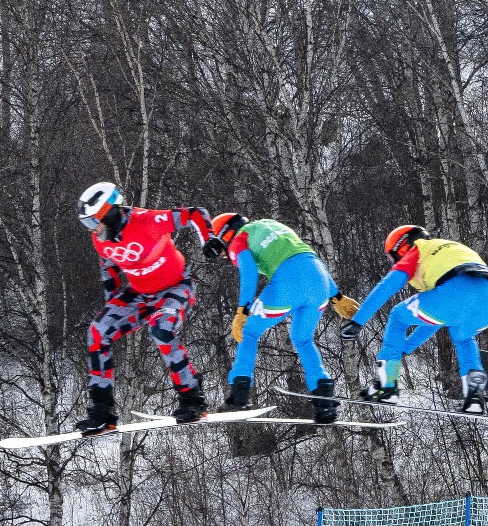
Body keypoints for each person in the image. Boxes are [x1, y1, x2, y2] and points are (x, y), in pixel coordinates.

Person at [75, 181, 216, 435]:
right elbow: (109, 269)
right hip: (140, 294)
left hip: (175, 286)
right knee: (98, 331)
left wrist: (209, 239)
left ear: (109, 211)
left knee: (161, 329)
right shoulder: (101, 240)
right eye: (86, 224)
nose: (92, 230)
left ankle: (191, 397)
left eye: (93, 221)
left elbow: (196, 213)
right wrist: (113, 310)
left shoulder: (147, 221)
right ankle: (102, 412)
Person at [203, 214, 356, 424]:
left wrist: (243, 310)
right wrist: (337, 296)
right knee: (303, 339)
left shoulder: (239, 239)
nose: (225, 254)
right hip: (319, 281)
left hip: (287, 282)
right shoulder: (274, 225)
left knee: (248, 332)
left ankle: (239, 395)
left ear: (226, 234)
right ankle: (325, 402)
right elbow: (309, 258)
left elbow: (248, 270)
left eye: (222, 246)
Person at [341, 225, 488, 414]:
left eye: (393, 257)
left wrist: (358, 321)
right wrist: (406, 347)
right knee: (463, 337)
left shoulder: (417, 250)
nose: (394, 262)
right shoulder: (445, 248)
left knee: (398, 315)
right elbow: (434, 320)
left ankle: (387, 386)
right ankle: (474, 396)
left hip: (454, 293)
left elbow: (387, 286)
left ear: (402, 247)